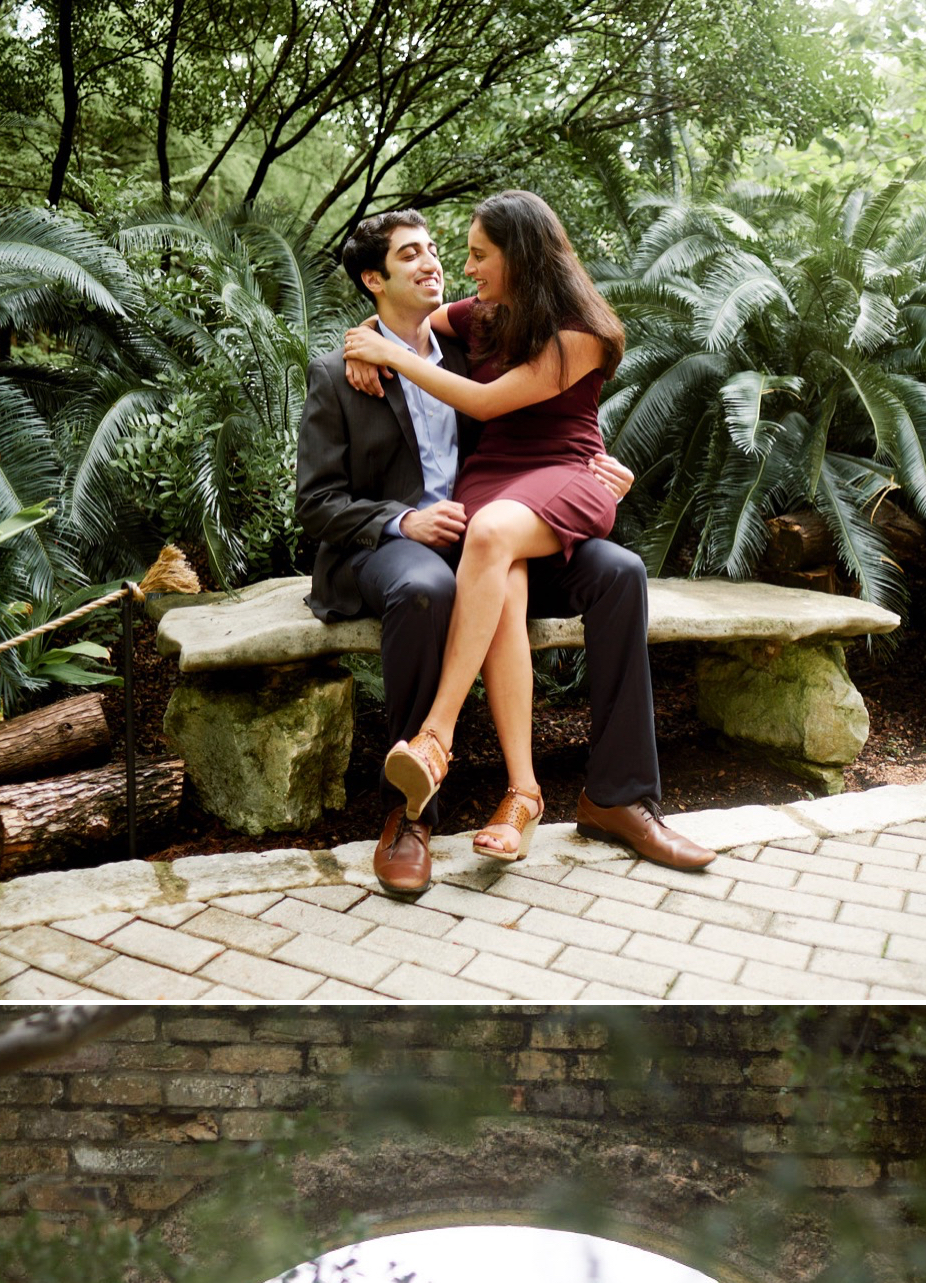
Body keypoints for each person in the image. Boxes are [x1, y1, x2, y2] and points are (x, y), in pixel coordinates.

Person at [294, 201, 713, 897]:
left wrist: (387, 346)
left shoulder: (535, 334)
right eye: (415, 255)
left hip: (532, 499)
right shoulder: (414, 343)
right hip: (442, 527)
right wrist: (361, 343)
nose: (446, 267)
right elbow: (316, 501)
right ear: (374, 279)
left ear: (517, 255)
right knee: (438, 584)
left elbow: (511, 406)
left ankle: (617, 796)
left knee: (621, 573)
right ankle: (419, 812)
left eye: (463, 253)